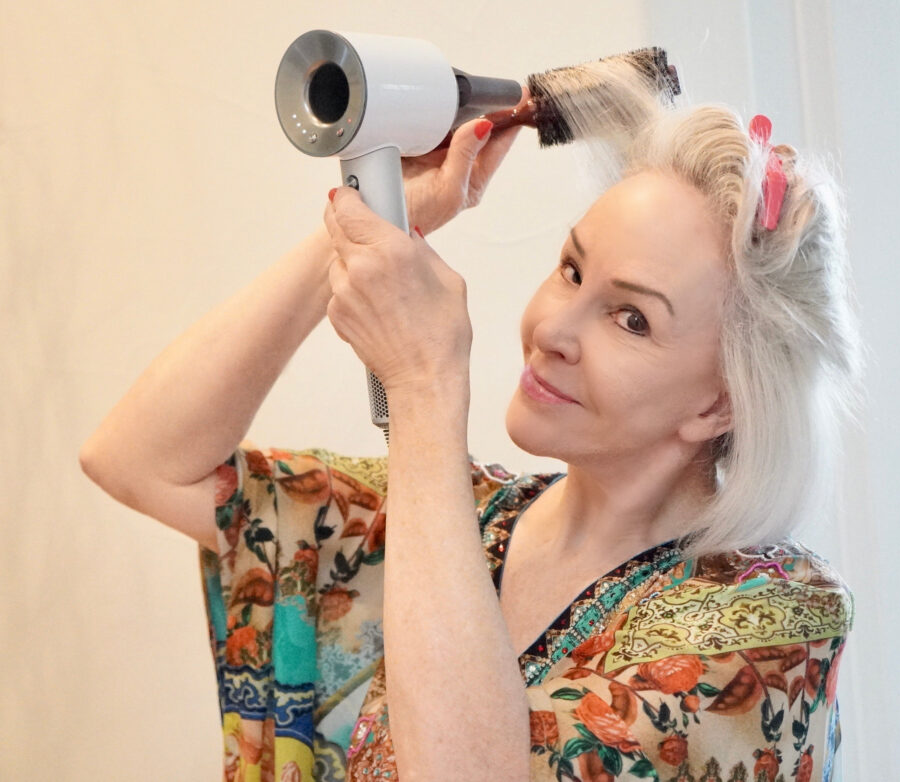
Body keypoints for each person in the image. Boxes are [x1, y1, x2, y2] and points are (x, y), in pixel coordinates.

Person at [81, 102, 859, 782]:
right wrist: (367, 230)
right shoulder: (444, 526)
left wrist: (424, 388)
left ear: (719, 403)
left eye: (632, 319)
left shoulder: (773, 624)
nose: (552, 328)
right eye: (571, 269)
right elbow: (142, 459)